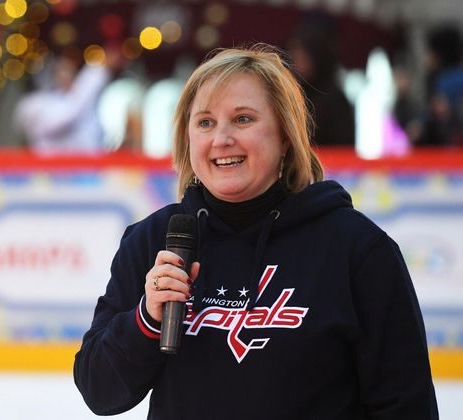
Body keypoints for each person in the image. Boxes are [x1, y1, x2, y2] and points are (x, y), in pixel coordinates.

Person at [73, 44, 438, 419]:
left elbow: (406, 404)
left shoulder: (358, 250)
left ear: (285, 135)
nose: (221, 139)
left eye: (243, 119)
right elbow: (99, 391)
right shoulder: (155, 241)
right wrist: (146, 320)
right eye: (205, 122)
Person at [13, 51, 115, 155]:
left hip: (86, 161)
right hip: (50, 163)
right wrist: (98, 70)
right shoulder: (34, 104)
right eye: (61, 72)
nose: (65, 76)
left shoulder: (81, 100)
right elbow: (66, 116)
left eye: (68, 71)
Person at [286, 14, 355, 146]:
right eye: (294, 53)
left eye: (304, 56)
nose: (297, 61)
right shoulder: (288, 93)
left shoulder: (335, 100)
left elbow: (342, 148)